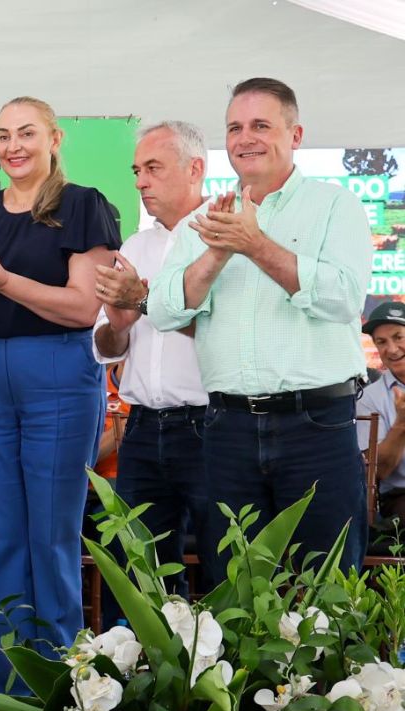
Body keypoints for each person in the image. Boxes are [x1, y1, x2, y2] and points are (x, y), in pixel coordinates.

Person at [149, 77, 371, 586]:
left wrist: (256, 245)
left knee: (326, 589)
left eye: (260, 125)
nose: (244, 138)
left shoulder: (336, 206)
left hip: (317, 423)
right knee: (236, 587)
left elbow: (341, 299)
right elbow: (162, 312)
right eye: (234, 127)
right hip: (227, 429)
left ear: (295, 135)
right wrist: (218, 253)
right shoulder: (204, 222)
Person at [0, 96, 120, 691]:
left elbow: (82, 308)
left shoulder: (82, 205)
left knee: (51, 534)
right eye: (1, 136)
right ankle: (4, 686)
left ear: (54, 139)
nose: (12, 146)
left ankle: (65, 688)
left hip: (58, 376)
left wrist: (3, 281)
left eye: (26, 133)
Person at [92, 121, 210, 607]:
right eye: (137, 170)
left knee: (223, 563)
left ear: (195, 169)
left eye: (154, 168)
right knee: (142, 568)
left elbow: (224, 334)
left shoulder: (222, 242)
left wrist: (141, 304)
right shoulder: (134, 248)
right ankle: (150, 675)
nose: (141, 181)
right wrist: (118, 324)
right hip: (140, 427)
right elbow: (106, 343)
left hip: (211, 424)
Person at [357, 302, 405, 525]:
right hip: (398, 497)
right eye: (381, 342)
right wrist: (401, 424)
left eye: (399, 337)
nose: (392, 349)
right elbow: (376, 473)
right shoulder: (369, 399)